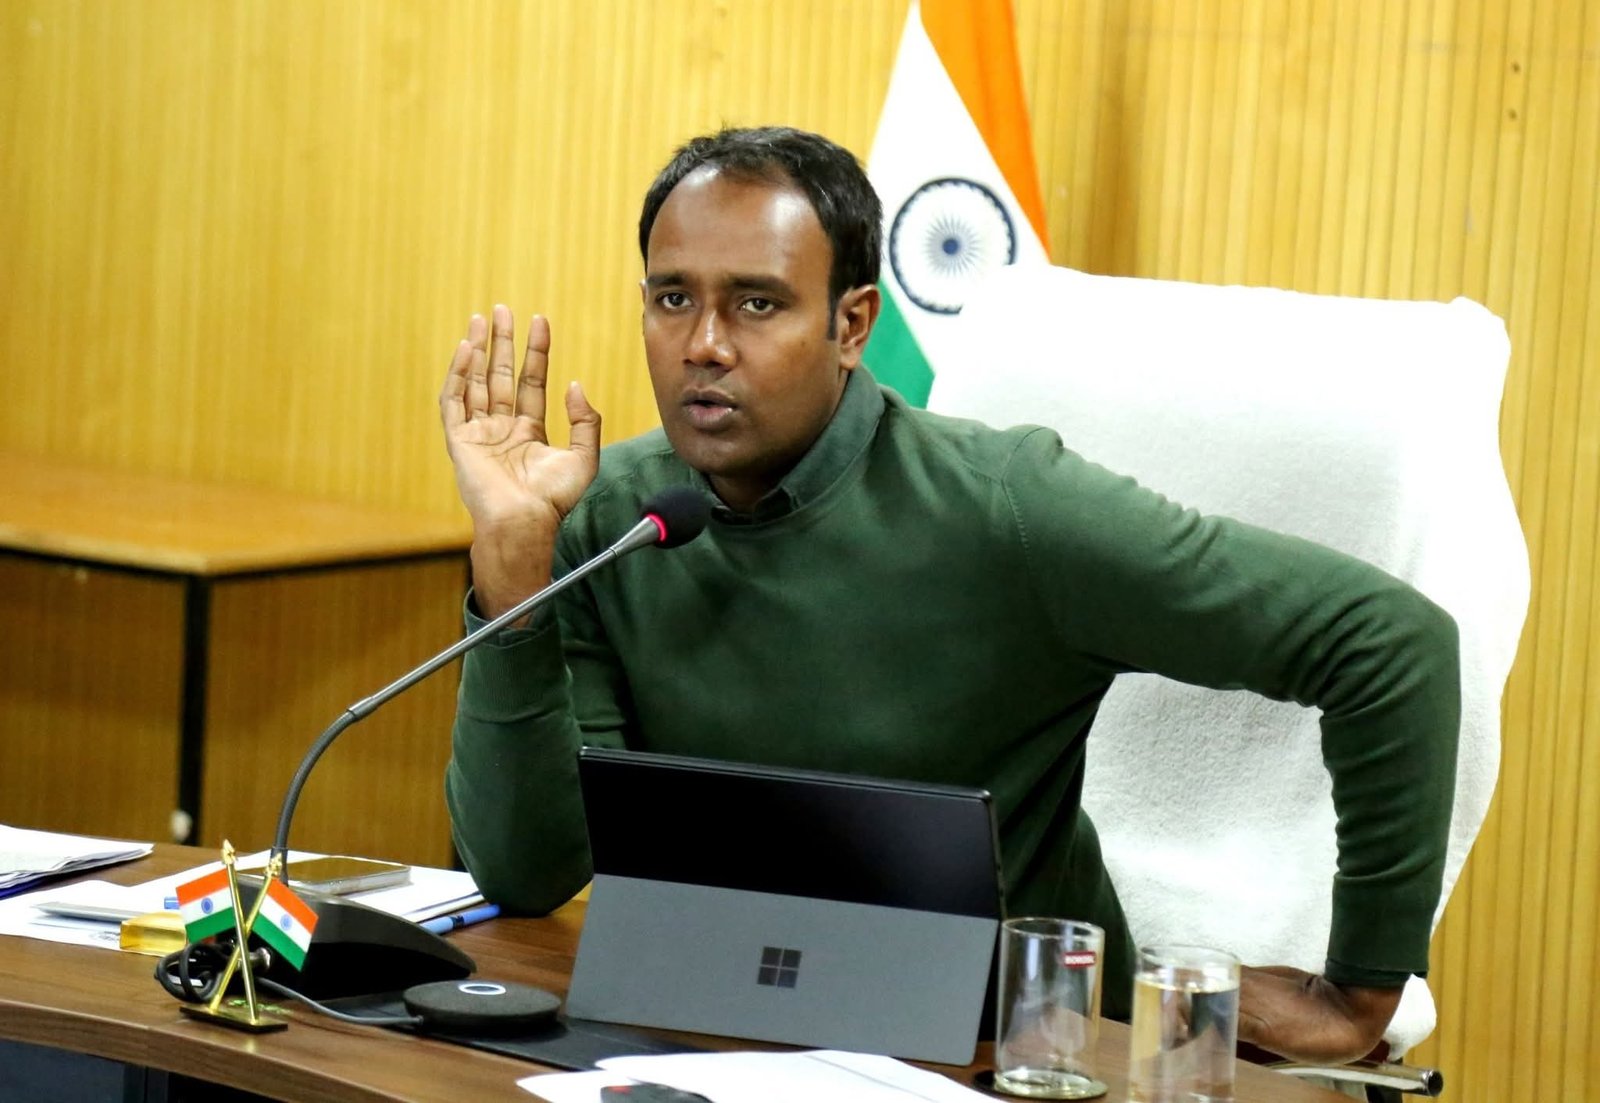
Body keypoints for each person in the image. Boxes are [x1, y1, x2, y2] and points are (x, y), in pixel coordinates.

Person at [439, 126, 1460, 1065]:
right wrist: (514, 570)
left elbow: (1387, 642)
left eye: (756, 302)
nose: (703, 343)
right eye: (673, 298)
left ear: (851, 324)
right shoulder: (609, 519)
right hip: (700, 1014)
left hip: (1008, 1047)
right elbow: (528, 872)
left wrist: (1359, 990)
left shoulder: (1008, 507)